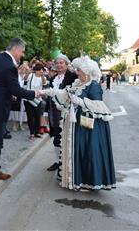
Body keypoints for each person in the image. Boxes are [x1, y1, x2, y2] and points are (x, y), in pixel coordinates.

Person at [41, 55, 116, 190]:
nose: (77, 72)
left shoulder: (93, 86)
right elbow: (62, 93)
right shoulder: (77, 83)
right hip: (75, 126)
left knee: (88, 153)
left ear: (87, 72)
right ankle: (76, 179)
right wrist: (43, 91)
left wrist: (79, 101)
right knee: (78, 152)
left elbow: (99, 107)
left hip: (88, 128)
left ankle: (89, 182)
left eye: (79, 70)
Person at [0, 38, 38, 181]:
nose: (22, 55)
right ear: (15, 49)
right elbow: (16, 89)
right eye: (22, 51)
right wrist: (35, 93)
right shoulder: (9, 65)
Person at [46, 54, 69, 172]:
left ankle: (67, 162)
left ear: (66, 64)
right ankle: (57, 161)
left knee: (67, 139)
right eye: (57, 63)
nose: (59, 65)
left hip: (67, 113)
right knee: (56, 138)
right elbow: (49, 97)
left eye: (62, 63)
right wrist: (46, 113)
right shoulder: (52, 79)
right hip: (54, 114)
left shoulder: (72, 77)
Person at [24, 63, 47, 139]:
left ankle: (37, 132)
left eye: (42, 70)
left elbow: (44, 83)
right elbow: (25, 79)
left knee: (37, 116)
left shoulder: (42, 77)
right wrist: (27, 73)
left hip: (37, 99)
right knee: (30, 116)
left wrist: (43, 75)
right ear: (36, 70)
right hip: (28, 98)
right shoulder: (31, 75)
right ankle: (31, 133)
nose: (41, 71)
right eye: (40, 70)